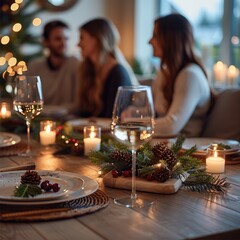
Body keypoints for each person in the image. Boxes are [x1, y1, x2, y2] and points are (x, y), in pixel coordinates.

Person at [149, 13, 211, 137]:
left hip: (185, 151)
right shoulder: (164, 72)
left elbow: (171, 125)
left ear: (171, 40)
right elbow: (152, 113)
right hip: (162, 145)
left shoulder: (190, 76)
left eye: (155, 36)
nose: (150, 41)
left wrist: (133, 125)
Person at [77, 18, 139, 118]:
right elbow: (85, 111)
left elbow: (114, 117)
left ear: (96, 39)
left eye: (82, 38)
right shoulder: (89, 69)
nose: (78, 44)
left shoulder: (118, 73)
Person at [27, 20, 79, 114]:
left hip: (69, 122)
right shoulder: (34, 67)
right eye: (58, 39)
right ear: (46, 42)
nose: (63, 43)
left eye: (66, 38)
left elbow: (79, 104)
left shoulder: (75, 64)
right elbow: (27, 101)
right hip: (39, 121)